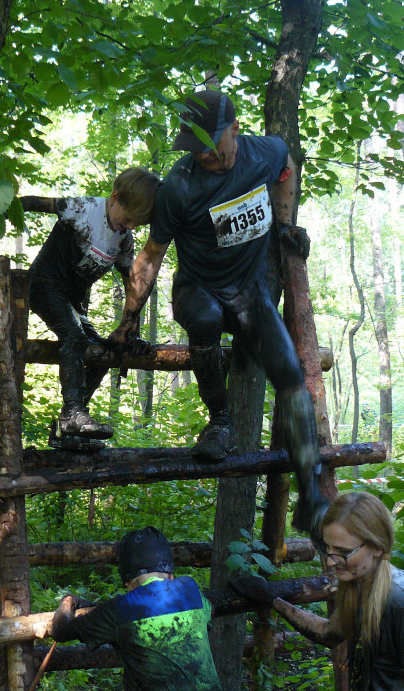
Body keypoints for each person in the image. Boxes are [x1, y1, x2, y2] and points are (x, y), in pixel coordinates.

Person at [108, 88, 325, 534]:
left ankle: (313, 495)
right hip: (198, 289)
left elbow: (286, 169)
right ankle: (218, 421)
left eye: (213, 144)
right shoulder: (179, 187)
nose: (204, 155)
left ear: (235, 130)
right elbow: (150, 258)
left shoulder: (265, 153)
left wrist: (285, 224)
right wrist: (127, 323)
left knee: (290, 376)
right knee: (205, 318)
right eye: (195, 147)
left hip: (249, 293)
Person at [230, 492, 404, 691]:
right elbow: (330, 633)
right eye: (328, 549)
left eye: (343, 552)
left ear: (377, 547)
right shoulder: (359, 583)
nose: (331, 562)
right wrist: (273, 600)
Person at [23, 167, 158, 452]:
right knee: (75, 338)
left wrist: (130, 330)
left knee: (104, 351)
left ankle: (66, 430)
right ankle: (72, 413)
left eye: (137, 223)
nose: (130, 227)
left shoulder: (123, 239)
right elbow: (37, 203)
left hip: (72, 300)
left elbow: (133, 283)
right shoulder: (82, 208)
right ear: (114, 198)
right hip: (44, 285)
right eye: (128, 218)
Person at [50, 526, 222, 691]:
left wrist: (69, 600)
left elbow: (60, 631)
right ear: (170, 574)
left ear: (127, 582)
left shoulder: (120, 609)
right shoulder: (190, 588)